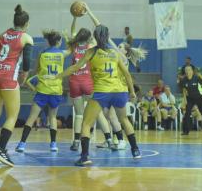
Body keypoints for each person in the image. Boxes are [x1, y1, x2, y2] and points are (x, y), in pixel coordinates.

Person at [49, 24, 141, 166]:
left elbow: (75, 67)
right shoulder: (115, 53)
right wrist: (132, 92)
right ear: (108, 35)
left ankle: (84, 157)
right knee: (124, 120)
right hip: (119, 91)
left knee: (86, 122)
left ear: (95, 37)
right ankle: (135, 150)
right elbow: (127, 74)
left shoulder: (91, 52)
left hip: (102, 91)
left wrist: (58, 76)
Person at [0, 4, 33, 167]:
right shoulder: (26, 37)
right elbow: (27, 62)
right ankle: (1, 150)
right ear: (26, 24)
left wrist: (1, 61)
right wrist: (24, 74)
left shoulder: (2, 34)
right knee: (12, 115)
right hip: (8, 77)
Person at [67, 6, 113, 151]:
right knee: (97, 112)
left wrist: (75, 17)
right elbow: (98, 26)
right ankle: (109, 139)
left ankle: (75, 142)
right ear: (89, 38)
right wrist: (88, 13)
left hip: (74, 82)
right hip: (88, 82)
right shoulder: (91, 46)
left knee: (79, 114)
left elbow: (72, 32)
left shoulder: (73, 45)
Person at [15, 30, 69, 153]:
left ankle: (22, 144)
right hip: (55, 91)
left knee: (31, 117)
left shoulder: (42, 53)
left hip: (43, 89)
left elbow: (36, 70)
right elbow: (72, 48)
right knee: (53, 117)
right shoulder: (62, 53)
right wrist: (67, 36)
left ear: (48, 41)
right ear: (59, 41)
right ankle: (53, 144)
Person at [180, 66, 202, 136]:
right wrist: (185, 100)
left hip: (200, 98)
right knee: (187, 114)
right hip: (190, 99)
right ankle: (185, 131)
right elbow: (184, 90)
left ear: (192, 71)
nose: (187, 71)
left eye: (189, 70)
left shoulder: (197, 78)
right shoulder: (183, 80)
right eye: (186, 70)